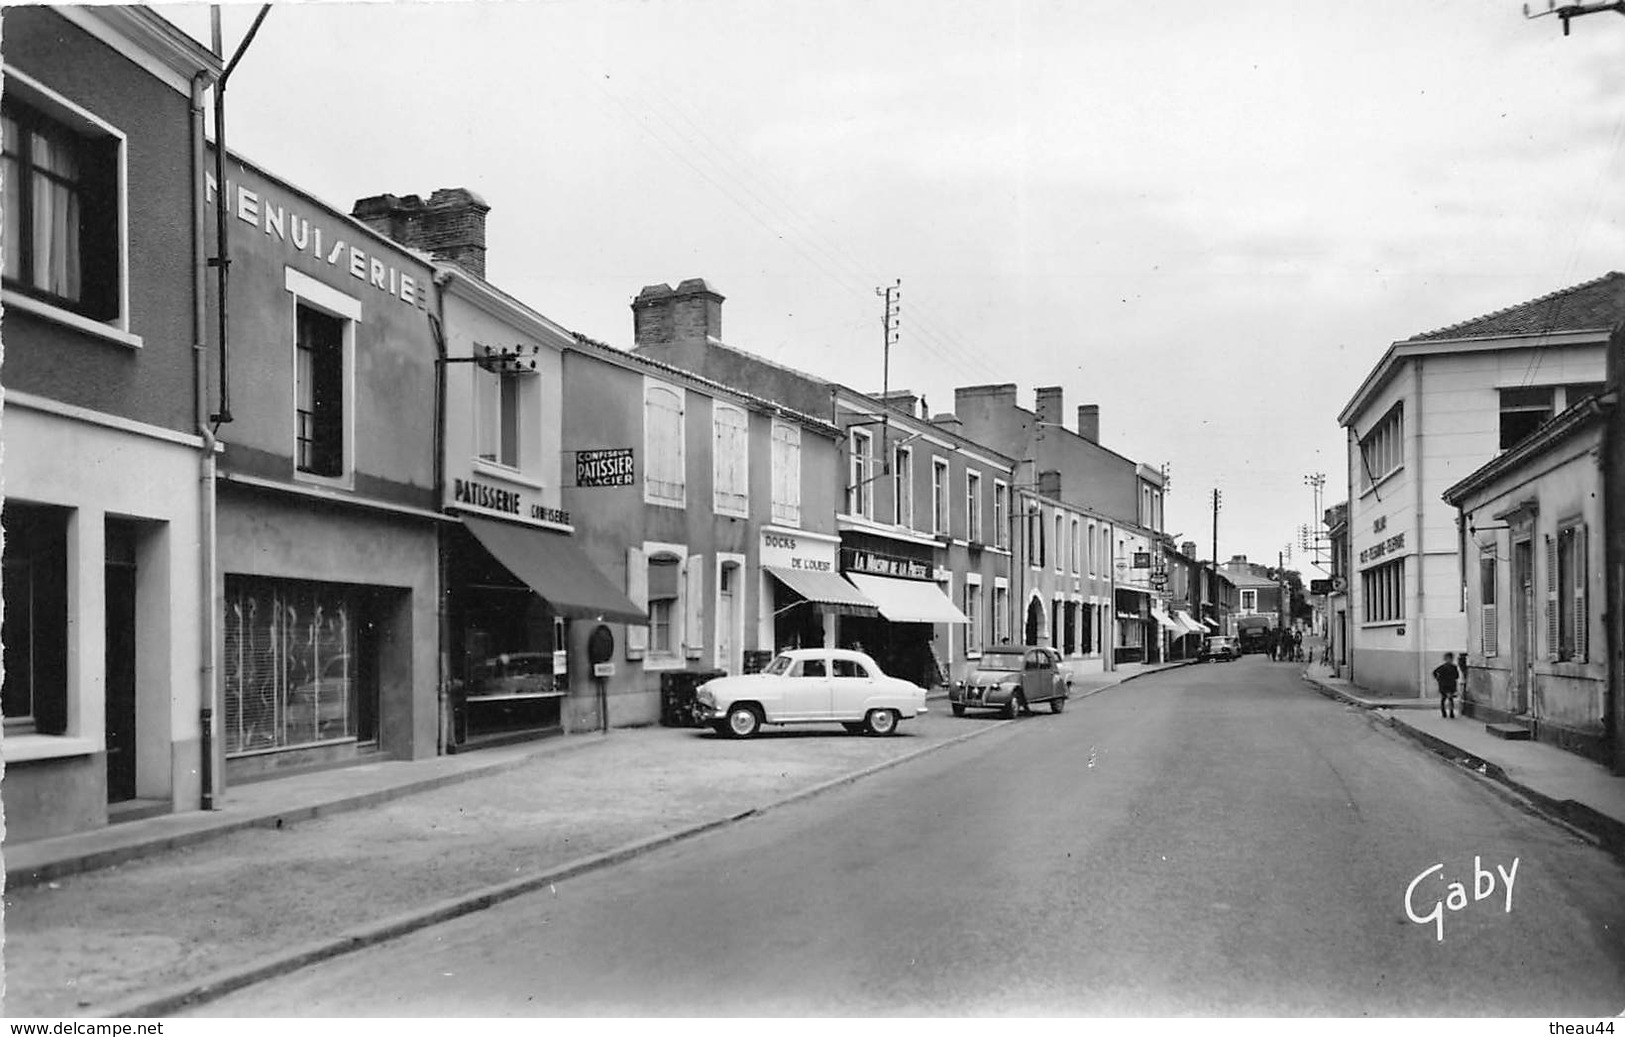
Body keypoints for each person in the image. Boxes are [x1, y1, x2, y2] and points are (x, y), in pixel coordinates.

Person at [1433, 651, 1459, 718]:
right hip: (1444, 685)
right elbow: (1435, 672)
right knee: (1445, 698)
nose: (1449, 660)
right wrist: (1438, 679)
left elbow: (1457, 676)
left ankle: (1450, 712)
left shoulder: (1453, 667)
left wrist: (1438, 679)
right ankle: (1445, 712)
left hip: (1450, 685)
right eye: (1448, 658)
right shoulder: (1442, 667)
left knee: (1449, 699)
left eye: (1450, 659)